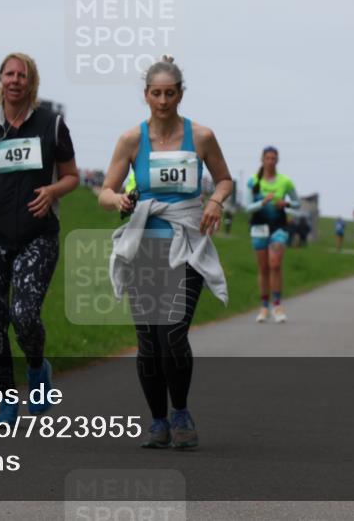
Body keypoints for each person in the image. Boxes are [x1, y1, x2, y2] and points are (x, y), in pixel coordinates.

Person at [100, 55, 233, 450]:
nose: (162, 101)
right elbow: (105, 191)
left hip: (187, 245)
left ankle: (181, 412)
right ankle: (158, 421)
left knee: (172, 333)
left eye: (169, 93)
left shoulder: (202, 136)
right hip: (144, 248)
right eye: (156, 93)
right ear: (145, 95)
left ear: (180, 95)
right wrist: (118, 200)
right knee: (149, 341)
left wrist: (216, 202)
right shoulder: (131, 140)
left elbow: (224, 179)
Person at [0, 52, 79, 424]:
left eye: (22, 75)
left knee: (24, 315)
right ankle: (6, 400)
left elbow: (71, 176)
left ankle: (37, 369)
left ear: (31, 82)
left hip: (38, 235)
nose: (15, 80)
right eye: (9, 74)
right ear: (1, 79)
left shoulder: (52, 125)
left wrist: (53, 191)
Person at [245, 147, 299, 323]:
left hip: (278, 227)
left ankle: (277, 304)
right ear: (262, 160)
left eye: (273, 158)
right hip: (259, 227)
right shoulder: (253, 181)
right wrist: (263, 202)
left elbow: (297, 203)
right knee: (263, 268)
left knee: (275, 264)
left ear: (277, 160)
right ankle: (264, 306)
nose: (270, 161)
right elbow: (247, 207)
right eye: (267, 158)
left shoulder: (285, 181)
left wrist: (286, 204)